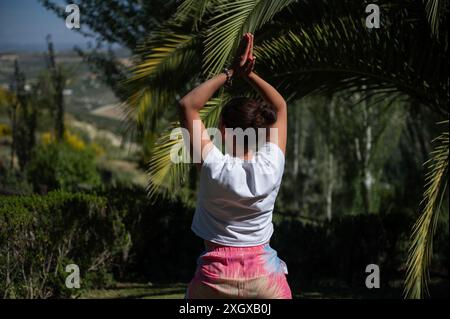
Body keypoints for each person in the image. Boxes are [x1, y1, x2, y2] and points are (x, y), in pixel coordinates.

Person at [178, 33, 291, 299]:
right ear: (260, 131)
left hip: (213, 278)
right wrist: (249, 74)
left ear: (224, 131)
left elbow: (187, 105)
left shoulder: (212, 166)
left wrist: (231, 72)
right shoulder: (272, 164)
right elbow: (280, 106)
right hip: (265, 279)